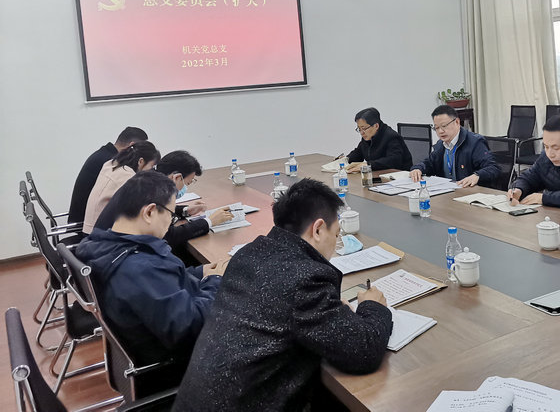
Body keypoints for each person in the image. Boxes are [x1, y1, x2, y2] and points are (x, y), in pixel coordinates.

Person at [173, 178, 393, 412]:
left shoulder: (248, 254)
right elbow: (363, 351)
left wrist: (332, 313)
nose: (335, 242)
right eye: (336, 234)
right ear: (318, 229)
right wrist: (372, 306)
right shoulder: (305, 279)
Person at [76, 171, 227, 396]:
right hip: (174, 368)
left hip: (151, 342)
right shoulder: (140, 268)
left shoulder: (103, 245)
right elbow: (190, 327)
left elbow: (163, 285)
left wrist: (200, 271)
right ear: (149, 212)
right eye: (170, 215)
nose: (170, 222)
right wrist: (215, 281)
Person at [94, 150, 234, 250]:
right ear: (177, 177)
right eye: (188, 183)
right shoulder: (152, 190)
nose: (185, 188)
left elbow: (159, 209)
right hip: (119, 253)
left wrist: (185, 210)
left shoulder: (147, 179)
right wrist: (209, 221)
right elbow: (169, 236)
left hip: (105, 247)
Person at [68, 126, 148, 225]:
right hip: (87, 225)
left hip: (84, 220)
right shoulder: (111, 163)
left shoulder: (104, 154)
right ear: (131, 146)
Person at [409, 105, 500, 188]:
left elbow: (493, 168)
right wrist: (418, 169)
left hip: (469, 192)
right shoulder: (441, 145)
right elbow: (429, 163)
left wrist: (477, 175)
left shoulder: (475, 142)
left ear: (457, 122)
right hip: (447, 193)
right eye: (436, 128)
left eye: (444, 126)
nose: (440, 131)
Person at [83, 141, 161, 234]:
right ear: (141, 161)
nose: (151, 171)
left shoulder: (110, 164)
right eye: (151, 166)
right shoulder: (128, 177)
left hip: (89, 229)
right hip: (101, 235)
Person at [343, 107, 413, 172]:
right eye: (359, 129)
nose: (361, 132)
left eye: (364, 128)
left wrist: (368, 165)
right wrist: (345, 160)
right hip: (378, 175)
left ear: (376, 126)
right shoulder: (368, 136)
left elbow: (393, 161)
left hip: (398, 177)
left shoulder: (391, 137)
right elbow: (358, 153)